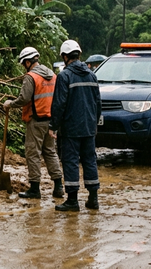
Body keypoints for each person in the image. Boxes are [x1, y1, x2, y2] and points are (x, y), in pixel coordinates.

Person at [48, 39, 102, 212]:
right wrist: (94, 123)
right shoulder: (92, 75)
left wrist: (53, 125)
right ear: (79, 54)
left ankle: (72, 201)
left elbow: (59, 104)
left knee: (70, 162)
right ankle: (93, 199)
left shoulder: (64, 76)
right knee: (90, 161)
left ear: (65, 57)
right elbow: (98, 103)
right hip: (88, 128)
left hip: (71, 129)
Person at [4, 47, 64, 199]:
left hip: (36, 121)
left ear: (28, 62)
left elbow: (24, 98)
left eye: (24, 63)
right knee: (50, 152)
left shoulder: (31, 77)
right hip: (50, 121)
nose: (24, 67)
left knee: (33, 153)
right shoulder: (53, 75)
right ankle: (58, 187)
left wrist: (10, 104)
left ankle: (35, 189)